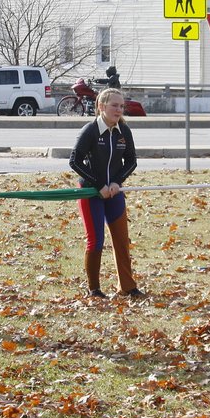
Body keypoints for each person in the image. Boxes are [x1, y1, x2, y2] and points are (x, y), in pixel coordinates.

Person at [68, 88, 143, 299]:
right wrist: (99, 184)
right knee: (96, 240)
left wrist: (117, 182)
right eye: (114, 106)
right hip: (91, 192)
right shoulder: (90, 130)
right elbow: (75, 161)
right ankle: (94, 289)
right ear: (101, 107)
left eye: (121, 106)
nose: (119, 110)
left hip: (114, 193)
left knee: (121, 240)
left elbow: (131, 161)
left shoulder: (124, 131)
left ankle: (127, 287)